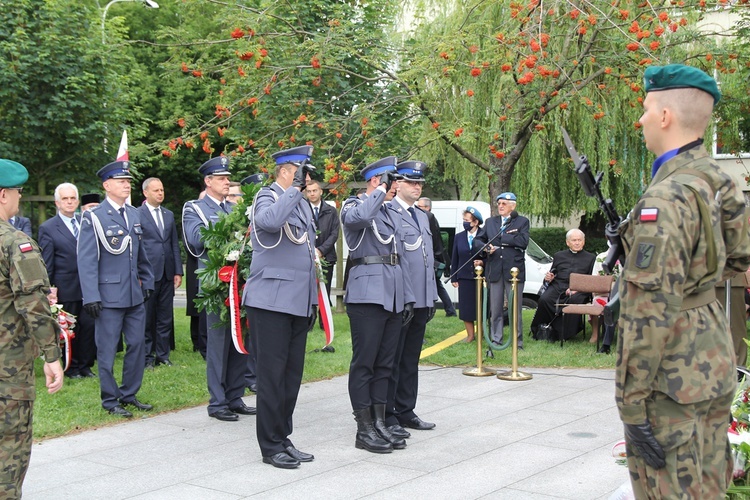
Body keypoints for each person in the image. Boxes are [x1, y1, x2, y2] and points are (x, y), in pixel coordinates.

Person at [616, 64, 750, 498]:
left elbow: (647, 308)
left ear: (666, 116)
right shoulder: (718, 179)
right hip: (711, 356)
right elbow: (741, 257)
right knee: (708, 486)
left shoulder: (665, 197)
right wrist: (697, 283)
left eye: (646, 107)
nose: (640, 119)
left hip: (670, 373)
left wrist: (630, 404)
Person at [243, 146, 317, 469]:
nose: (307, 176)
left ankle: (283, 436)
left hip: (297, 302)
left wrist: (313, 301)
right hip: (270, 302)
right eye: (302, 170)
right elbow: (270, 223)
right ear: (286, 171)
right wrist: (294, 191)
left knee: (291, 376)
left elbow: (307, 255)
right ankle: (269, 445)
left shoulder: (299, 204)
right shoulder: (267, 197)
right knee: (271, 377)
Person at [341, 156, 415, 454]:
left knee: (385, 364)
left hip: (393, 294)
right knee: (365, 363)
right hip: (367, 294)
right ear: (375, 180)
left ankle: (380, 420)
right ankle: (364, 428)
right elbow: (358, 219)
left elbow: (399, 257)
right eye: (390, 180)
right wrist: (379, 190)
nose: (395, 186)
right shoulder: (353, 205)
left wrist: (408, 296)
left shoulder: (388, 212)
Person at [0, 159, 64, 499]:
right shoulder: (14, 242)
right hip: (7, 369)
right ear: (2, 195)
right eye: (17, 193)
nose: (19, 200)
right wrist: (52, 354)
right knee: (10, 447)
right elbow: (33, 303)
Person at [77, 161, 155, 418]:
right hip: (108, 297)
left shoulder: (133, 214)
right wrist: (91, 296)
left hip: (133, 293)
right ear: (106, 185)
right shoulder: (94, 217)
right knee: (107, 350)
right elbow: (87, 260)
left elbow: (140, 253)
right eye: (121, 181)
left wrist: (148, 280)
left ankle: (129, 393)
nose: (126, 184)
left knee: (136, 345)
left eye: (128, 181)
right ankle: (110, 400)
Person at [183, 158, 254, 422]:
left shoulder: (233, 209)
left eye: (228, 178)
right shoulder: (195, 209)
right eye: (221, 178)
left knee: (239, 341)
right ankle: (217, 401)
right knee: (218, 344)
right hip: (216, 284)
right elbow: (196, 239)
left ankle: (234, 396)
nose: (227, 182)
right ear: (208, 181)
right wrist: (230, 231)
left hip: (239, 283)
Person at [384, 160, 438, 441]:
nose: (417, 187)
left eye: (420, 183)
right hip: (402, 298)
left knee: (410, 359)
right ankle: (389, 413)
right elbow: (398, 261)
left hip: (421, 299)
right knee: (392, 359)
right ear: (398, 184)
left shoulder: (422, 216)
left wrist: (430, 297)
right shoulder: (389, 212)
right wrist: (406, 297)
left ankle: (407, 409)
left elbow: (427, 260)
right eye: (411, 182)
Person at [38, 183, 96, 379]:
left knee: (88, 327)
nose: (70, 202)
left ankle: (86, 365)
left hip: (88, 287)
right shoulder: (48, 228)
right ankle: (71, 368)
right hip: (65, 287)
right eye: (65, 199)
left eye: (73, 198)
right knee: (69, 330)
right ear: (57, 202)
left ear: (78, 201)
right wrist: (49, 289)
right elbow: (47, 261)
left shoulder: (86, 222)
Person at [473, 193, 530, 347]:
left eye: (504, 203)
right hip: (495, 270)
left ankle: (517, 341)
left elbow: (523, 241)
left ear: (513, 205)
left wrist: (502, 238)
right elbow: (478, 240)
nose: (500, 206)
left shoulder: (522, 221)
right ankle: (496, 339)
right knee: (495, 308)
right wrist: (485, 248)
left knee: (515, 308)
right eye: (499, 203)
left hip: (514, 271)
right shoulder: (491, 222)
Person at [137, 178, 182, 368]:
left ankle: (163, 355)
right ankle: (147, 356)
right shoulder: (137, 214)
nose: (160, 193)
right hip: (148, 273)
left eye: (162, 190)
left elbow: (173, 244)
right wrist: (138, 274)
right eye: (156, 190)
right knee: (147, 317)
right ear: (146, 193)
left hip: (167, 272)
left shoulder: (168, 215)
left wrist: (178, 271)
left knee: (165, 317)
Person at [529, 229, 596, 341]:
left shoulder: (591, 258)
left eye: (579, 240)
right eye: (574, 240)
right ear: (567, 242)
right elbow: (553, 273)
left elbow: (591, 279)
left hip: (579, 290)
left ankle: (565, 334)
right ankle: (542, 329)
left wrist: (577, 288)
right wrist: (548, 278)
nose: (577, 243)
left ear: (584, 242)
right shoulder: (559, 256)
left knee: (573, 301)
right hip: (558, 285)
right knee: (545, 299)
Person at [305, 178, 340, 327]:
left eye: (314, 191)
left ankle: (324, 321)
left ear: (320, 191)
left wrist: (321, 250)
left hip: (327, 256)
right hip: (307, 256)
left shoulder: (330, 211)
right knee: (309, 289)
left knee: (324, 289)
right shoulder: (302, 209)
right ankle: (309, 319)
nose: (312, 194)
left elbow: (334, 233)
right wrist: (311, 251)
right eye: (309, 191)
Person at [417, 197, 456, 317]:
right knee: (438, 286)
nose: (417, 209)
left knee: (436, 286)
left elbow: (435, 242)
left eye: (420, 207)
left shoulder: (429, 218)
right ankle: (450, 310)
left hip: (431, 260)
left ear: (427, 208)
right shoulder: (429, 218)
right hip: (433, 259)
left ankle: (446, 310)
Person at [450, 207, 485, 342]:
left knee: (481, 307)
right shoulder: (459, 237)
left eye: (467, 220)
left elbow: (491, 256)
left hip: (481, 278)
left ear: (475, 222)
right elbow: (455, 257)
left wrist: (482, 263)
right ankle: (470, 335)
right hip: (464, 277)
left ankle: (482, 334)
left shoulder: (484, 235)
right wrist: (454, 276)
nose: (464, 222)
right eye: (463, 220)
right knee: (466, 308)